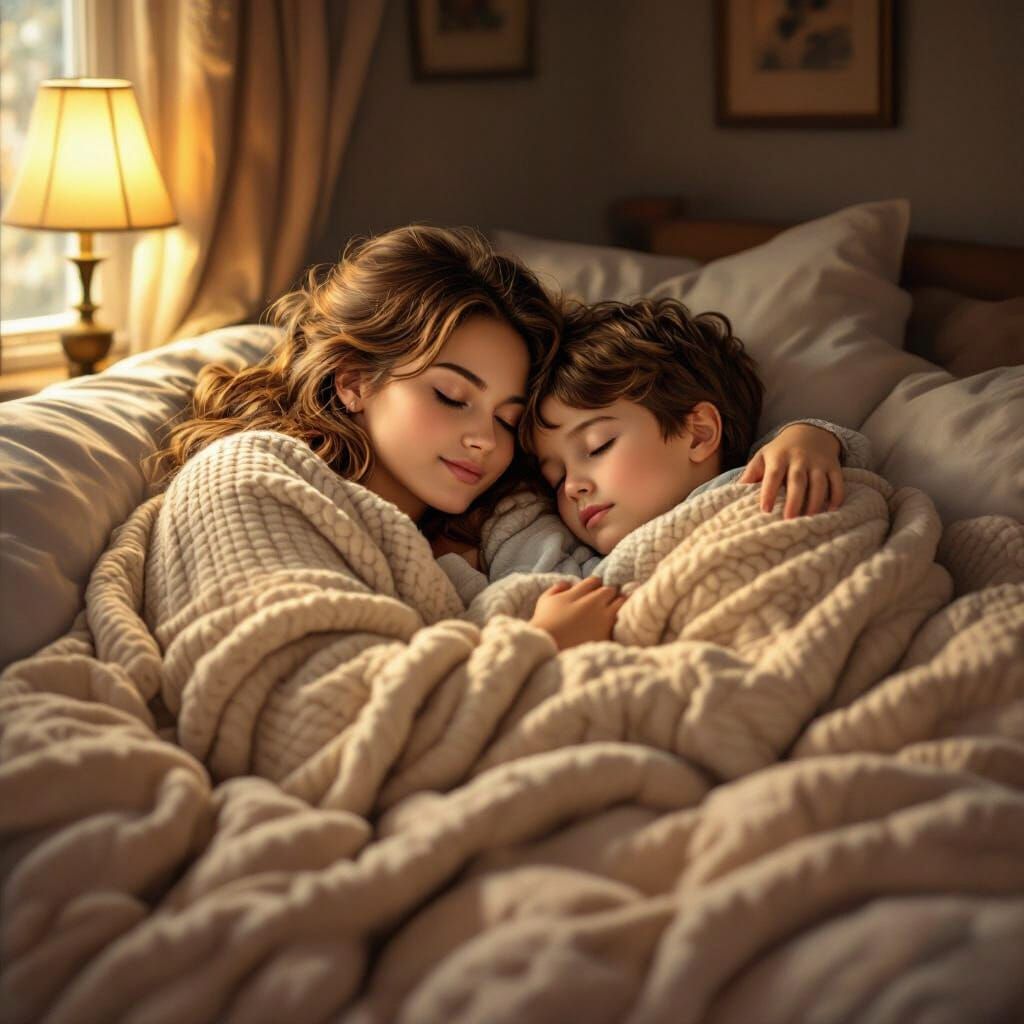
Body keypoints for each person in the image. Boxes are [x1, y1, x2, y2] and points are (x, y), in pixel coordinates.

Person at [151, 224, 621, 650]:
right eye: (450, 396)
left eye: (506, 420)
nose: (485, 440)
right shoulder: (248, 474)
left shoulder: (494, 524)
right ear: (354, 381)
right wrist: (540, 644)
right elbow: (320, 708)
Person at [477, 297, 871, 641]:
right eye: (555, 478)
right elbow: (520, 581)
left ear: (698, 434)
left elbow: (833, 477)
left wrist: (813, 437)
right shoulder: (585, 572)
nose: (572, 487)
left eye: (598, 447)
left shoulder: (759, 485)